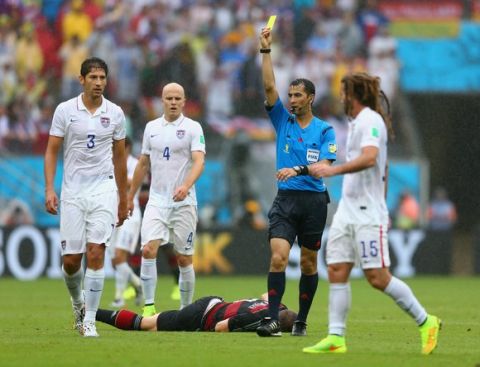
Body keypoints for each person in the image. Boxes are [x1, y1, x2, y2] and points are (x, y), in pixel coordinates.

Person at [302, 72, 441, 355]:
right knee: (338, 269)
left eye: (343, 92)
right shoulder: (355, 123)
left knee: (377, 277)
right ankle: (336, 337)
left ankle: (427, 321)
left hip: (367, 213)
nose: (340, 97)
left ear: (353, 95)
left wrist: (334, 170)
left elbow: (370, 158)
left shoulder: (370, 121)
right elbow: (384, 168)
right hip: (348, 210)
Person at [255, 26, 337, 338]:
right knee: (277, 257)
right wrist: (265, 51)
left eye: (297, 95)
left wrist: (298, 170)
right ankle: (273, 319)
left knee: (307, 264)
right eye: (289, 95)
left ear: (311, 98)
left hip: (314, 202)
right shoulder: (282, 120)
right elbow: (268, 86)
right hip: (285, 200)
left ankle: (301, 319)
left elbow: (326, 166)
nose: (291, 99)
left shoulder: (325, 129)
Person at [44, 57, 128, 338]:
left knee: (96, 253)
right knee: (71, 261)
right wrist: (49, 189)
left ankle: (89, 320)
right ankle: (78, 303)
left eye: (102, 78)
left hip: (104, 191)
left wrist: (124, 198)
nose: (99, 83)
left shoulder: (115, 113)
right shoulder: (65, 110)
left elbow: (120, 157)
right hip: (73, 193)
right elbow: (52, 150)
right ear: (81, 80)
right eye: (93, 77)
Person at [128, 82, 205, 316]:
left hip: (184, 202)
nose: (173, 102)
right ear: (162, 101)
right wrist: (129, 197)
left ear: (184, 101)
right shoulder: (151, 128)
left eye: (177, 98)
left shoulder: (193, 128)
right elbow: (143, 163)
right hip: (157, 201)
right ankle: (149, 306)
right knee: (148, 250)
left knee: (183, 258)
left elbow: (199, 161)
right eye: (168, 98)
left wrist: (185, 186)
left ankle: (185, 310)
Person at [96, 294, 297, 333]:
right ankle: (90, 313)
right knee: (146, 324)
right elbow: (220, 328)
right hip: (200, 315)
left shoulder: (276, 306)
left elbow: (264, 293)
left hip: (214, 302)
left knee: (150, 324)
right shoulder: (254, 320)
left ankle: (89, 312)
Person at [108, 137, 142, 308]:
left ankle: (119, 297)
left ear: (126, 147)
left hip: (130, 214)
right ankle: (137, 283)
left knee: (121, 256)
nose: (114, 150)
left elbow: (132, 182)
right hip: (111, 215)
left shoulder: (135, 163)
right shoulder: (109, 162)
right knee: (115, 261)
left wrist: (115, 175)